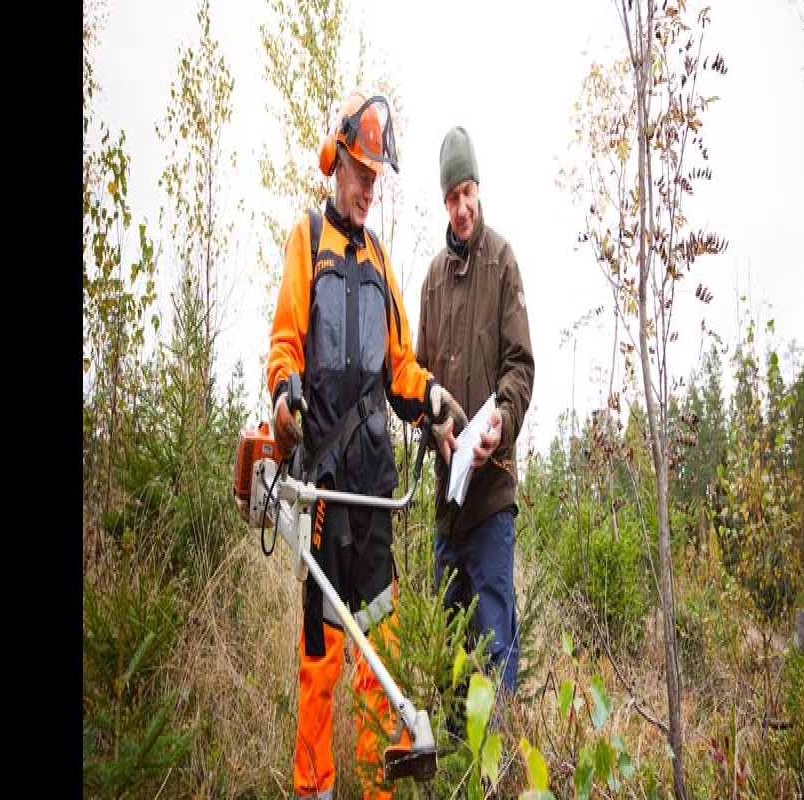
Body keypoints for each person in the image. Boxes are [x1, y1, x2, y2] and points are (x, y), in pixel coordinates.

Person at [263, 90, 465, 800]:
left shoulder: (379, 257)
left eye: (378, 179)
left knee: (380, 648)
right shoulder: (306, 241)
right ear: (338, 160)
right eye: (362, 174)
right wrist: (286, 394)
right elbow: (285, 344)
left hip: (374, 486)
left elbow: (400, 366)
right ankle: (313, 788)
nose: (370, 189)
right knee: (320, 657)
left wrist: (431, 394)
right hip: (321, 485)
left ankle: (380, 791)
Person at [415, 126, 535, 699]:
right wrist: (430, 425)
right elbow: (416, 381)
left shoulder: (503, 262)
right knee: (450, 657)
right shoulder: (432, 282)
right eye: (451, 197)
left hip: (491, 500)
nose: (462, 208)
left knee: (492, 650)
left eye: (468, 192)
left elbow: (521, 368)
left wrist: (498, 427)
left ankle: (498, 779)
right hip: (447, 506)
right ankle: (456, 775)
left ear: (479, 189)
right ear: (443, 202)